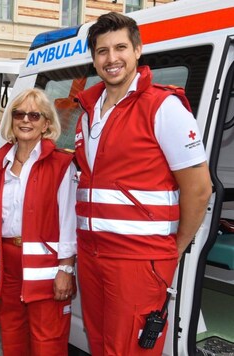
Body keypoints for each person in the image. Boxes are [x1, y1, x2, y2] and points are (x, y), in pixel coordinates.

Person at [73, 12, 212, 355]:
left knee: (130, 350)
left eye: (120, 47)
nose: (111, 58)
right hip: (92, 255)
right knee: (102, 344)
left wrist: (174, 248)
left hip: (139, 259)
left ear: (137, 51)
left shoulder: (163, 106)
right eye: (102, 51)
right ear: (94, 58)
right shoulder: (89, 110)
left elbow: (199, 188)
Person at [0, 89, 77, 356]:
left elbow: (69, 218)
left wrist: (66, 268)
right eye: (19, 113)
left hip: (46, 273)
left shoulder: (61, 164)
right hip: (7, 269)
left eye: (35, 115)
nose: (25, 120)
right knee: (12, 340)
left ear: (46, 124)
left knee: (47, 344)